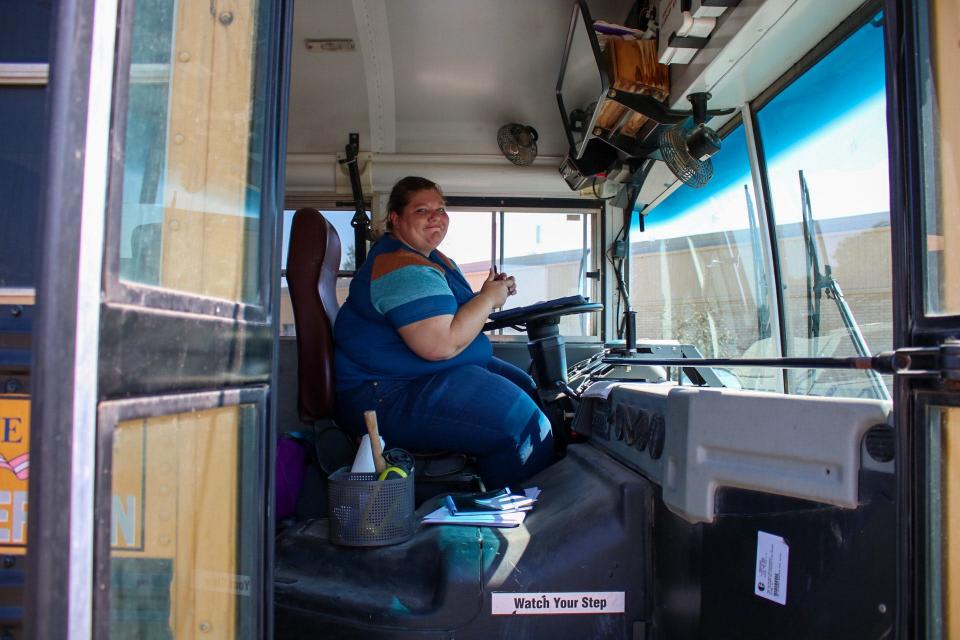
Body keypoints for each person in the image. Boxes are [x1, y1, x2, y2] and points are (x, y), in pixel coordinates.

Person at [333, 176, 554, 489]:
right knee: (520, 424)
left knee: (529, 389)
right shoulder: (401, 267)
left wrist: (490, 292)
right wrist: (489, 299)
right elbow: (440, 344)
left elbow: (449, 315)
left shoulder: (430, 260)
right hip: (387, 392)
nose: (435, 216)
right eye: (422, 210)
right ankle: (522, 518)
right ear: (396, 218)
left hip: (422, 375)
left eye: (441, 208)